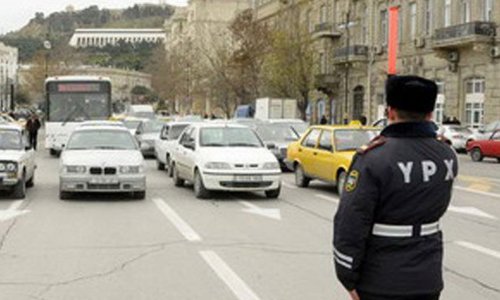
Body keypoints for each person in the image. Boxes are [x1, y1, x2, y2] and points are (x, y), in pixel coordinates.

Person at [333, 75, 458, 300]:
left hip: (381, 281)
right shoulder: (446, 155)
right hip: (427, 278)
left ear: (390, 112)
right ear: (430, 114)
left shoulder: (374, 157)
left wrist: (347, 275)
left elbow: (351, 222)